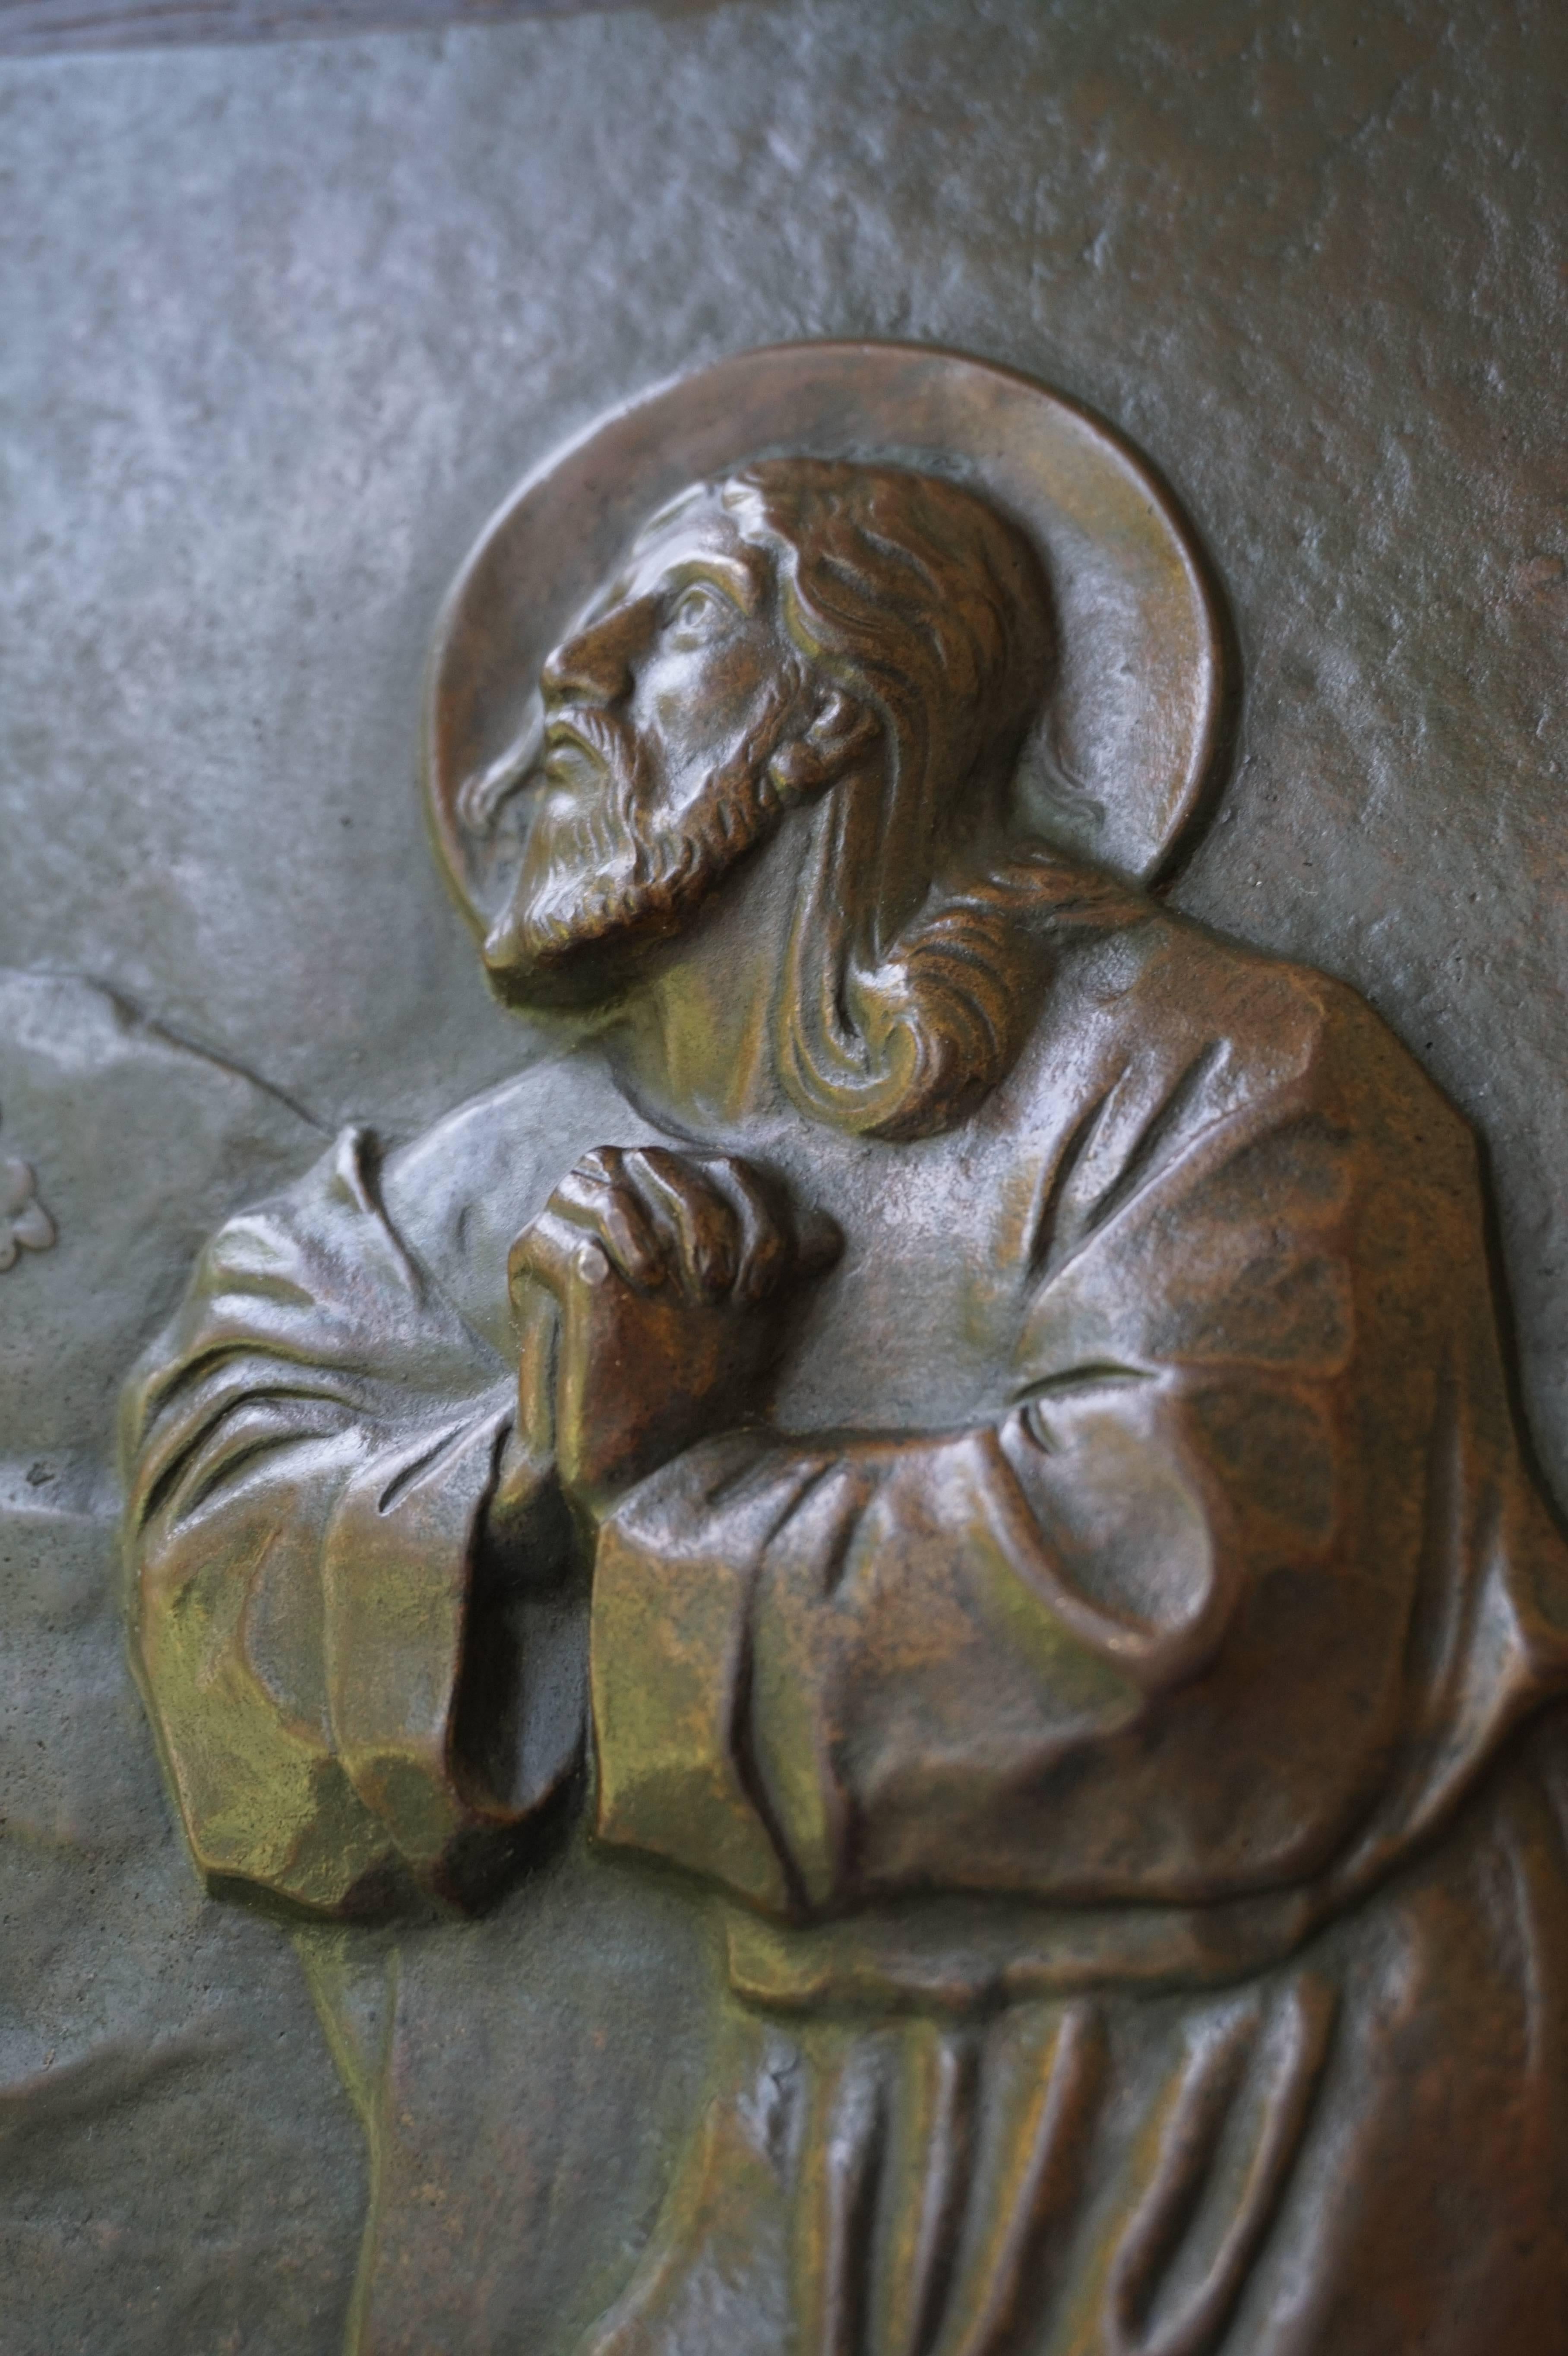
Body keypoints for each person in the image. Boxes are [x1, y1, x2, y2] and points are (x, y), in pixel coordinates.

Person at [124, 458, 1568, 2353]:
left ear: (839, 708)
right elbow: (222, 1531)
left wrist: (682, 1485)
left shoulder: (1216, 1083)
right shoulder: (447, 1196)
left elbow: (1221, 1595)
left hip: (1202, 2141)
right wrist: (531, 1482)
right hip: (726, 2190)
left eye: (693, 612)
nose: (580, 667)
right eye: (589, 617)